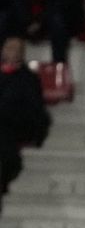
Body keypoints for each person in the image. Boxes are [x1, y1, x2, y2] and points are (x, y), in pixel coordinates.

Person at [0, 36, 49, 210]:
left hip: (11, 128)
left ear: (22, 54)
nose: (11, 52)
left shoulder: (28, 79)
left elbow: (33, 110)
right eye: (8, 47)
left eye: (15, 49)